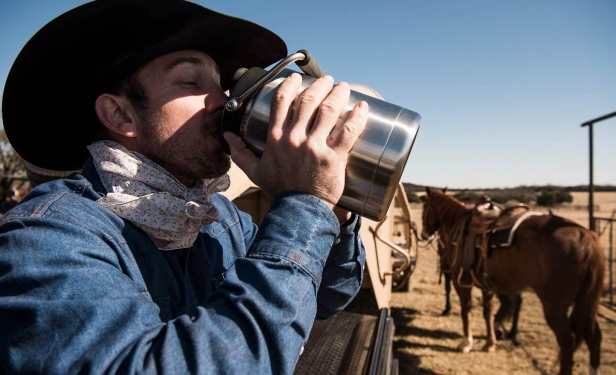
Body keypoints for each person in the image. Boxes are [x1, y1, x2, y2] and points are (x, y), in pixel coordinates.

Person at [0, 1, 370, 374]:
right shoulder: (46, 238)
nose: (225, 101)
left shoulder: (216, 217)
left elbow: (323, 298)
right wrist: (304, 205)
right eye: (191, 82)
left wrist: (331, 212)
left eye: (220, 85)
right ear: (121, 115)